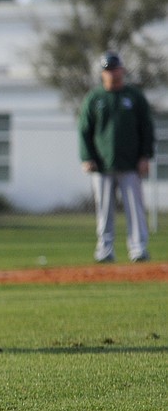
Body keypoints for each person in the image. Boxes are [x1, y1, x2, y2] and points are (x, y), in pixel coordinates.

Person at [78, 50, 154, 263]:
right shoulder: (94, 98)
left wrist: (145, 156)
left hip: (130, 163)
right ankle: (105, 250)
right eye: (107, 70)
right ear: (103, 74)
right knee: (104, 212)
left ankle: (138, 249)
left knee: (135, 209)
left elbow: (146, 128)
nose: (112, 73)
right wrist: (87, 157)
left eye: (114, 68)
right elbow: (84, 130)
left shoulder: (134, 97)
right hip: (102, 165)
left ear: (122, 70)